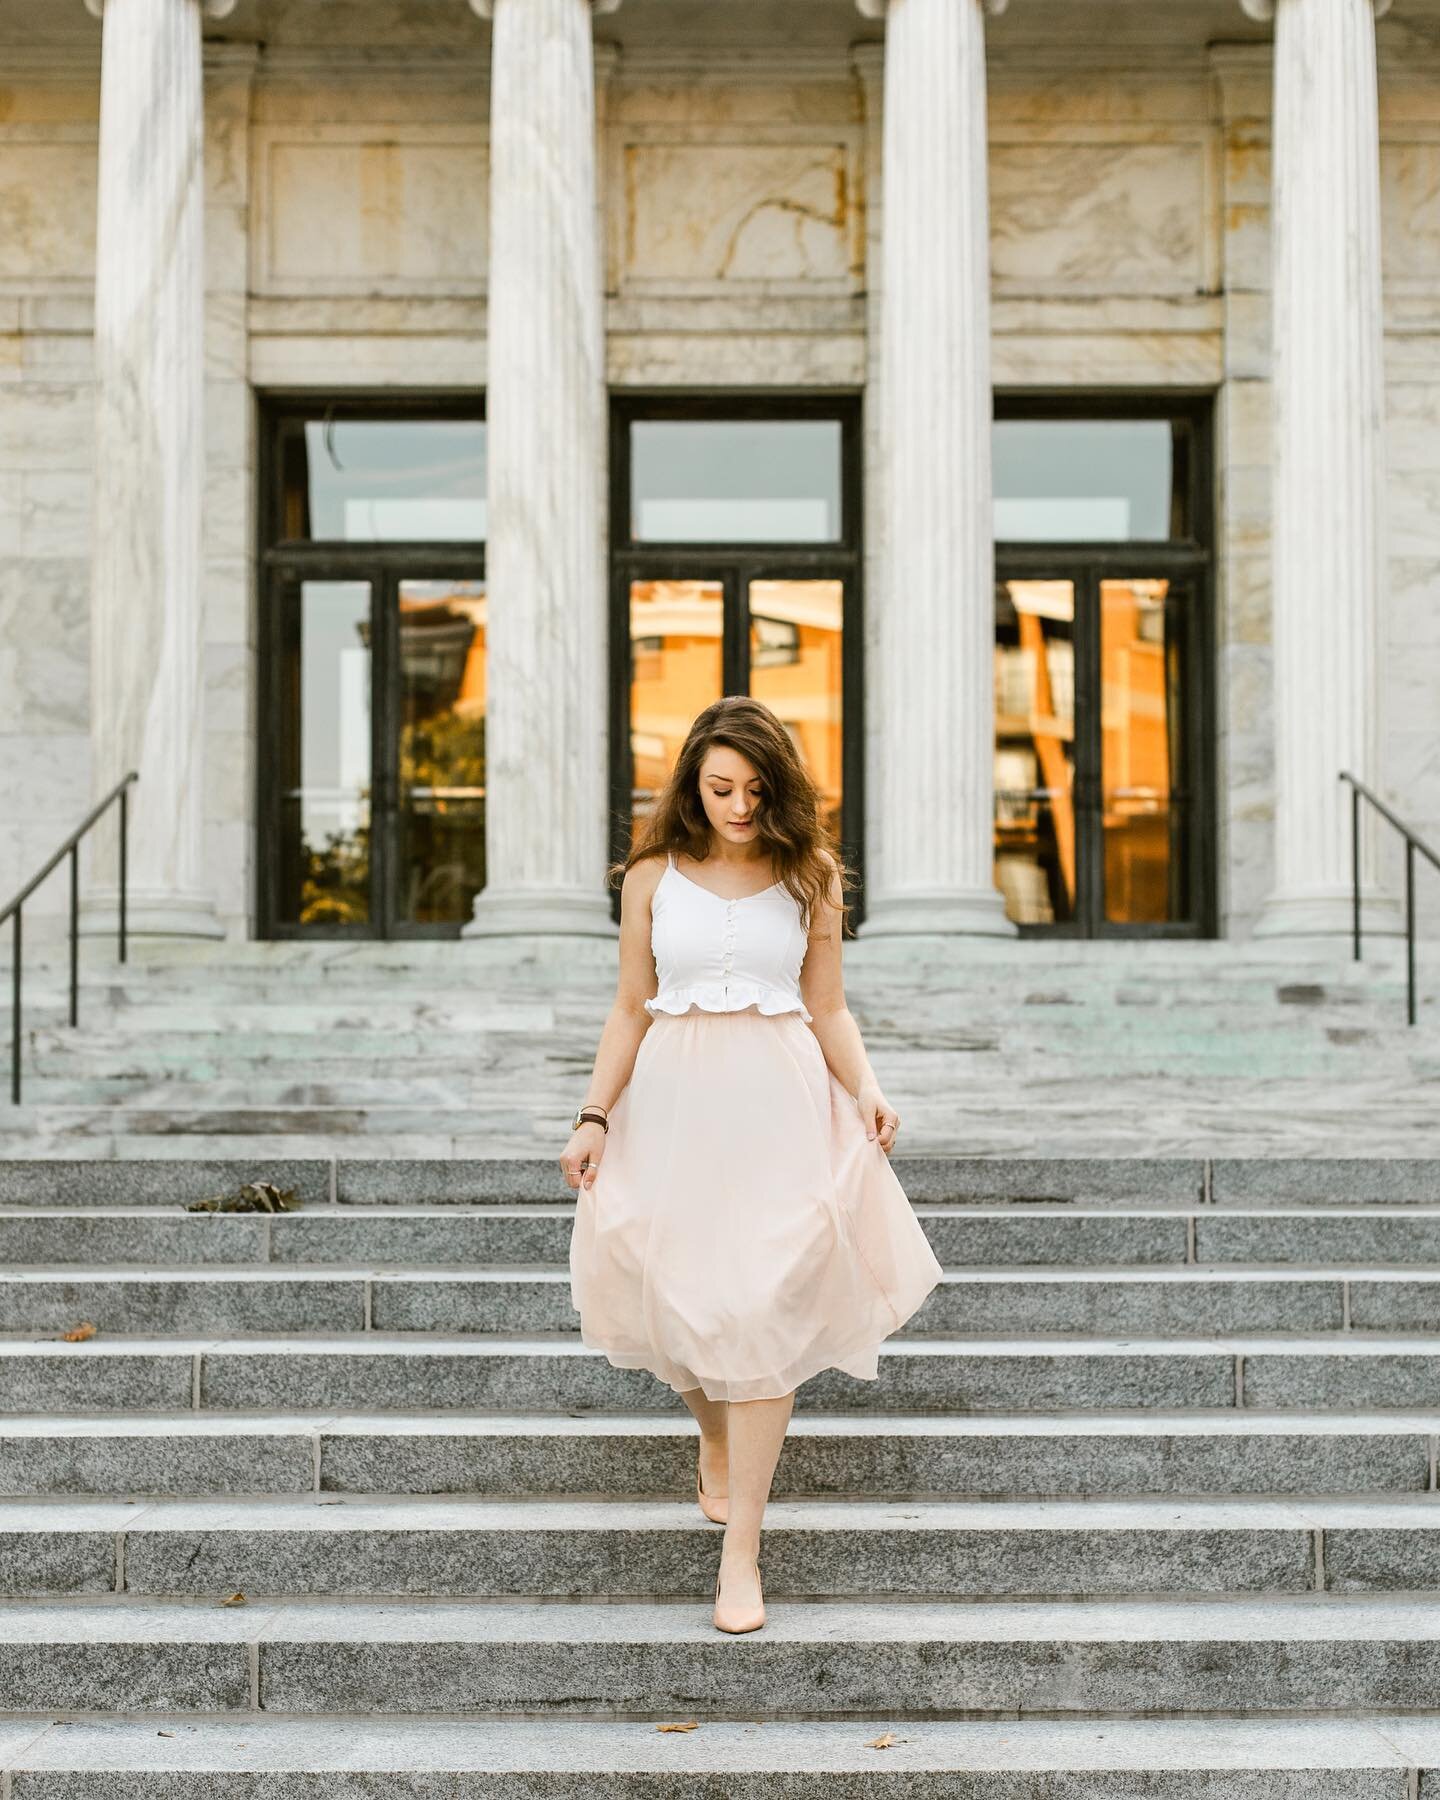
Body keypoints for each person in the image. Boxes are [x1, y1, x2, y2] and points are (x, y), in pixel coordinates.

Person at [560, 696, 942, 1635]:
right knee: (660, 1283)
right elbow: (628, 1007)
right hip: (672, 1102)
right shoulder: (651, 875)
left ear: (780, 790)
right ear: (693, 780)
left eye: (756, 789)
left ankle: (742, 1558)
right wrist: (593, 1114)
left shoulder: (810, 872)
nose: (737, 805)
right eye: (721, 787)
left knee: (766, 1307)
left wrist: (868, 1088)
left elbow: (829, 1007)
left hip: (779, 1101)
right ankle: (713, 1431)